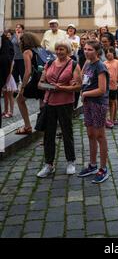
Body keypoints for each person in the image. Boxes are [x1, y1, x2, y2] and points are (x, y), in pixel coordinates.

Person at [37, 41, 82, 178]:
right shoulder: (49, 63)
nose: (58, 51)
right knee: (48, 134)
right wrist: (49, 87)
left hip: (65, 103)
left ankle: (70, 161)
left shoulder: (73, 65)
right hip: (49, 102)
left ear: (67, 50)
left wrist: (62, 88)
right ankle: (49, 164)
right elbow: (40, 83)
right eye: (57, 49)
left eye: (61, 49)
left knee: (66, 132)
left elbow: (78, 86)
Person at [78, 41, 110, 184]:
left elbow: (102, 90)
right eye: (85, 49)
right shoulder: (88, 64)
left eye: (90, 49)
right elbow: (82, 80)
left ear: (97, 52)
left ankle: (103, 168)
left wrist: (86, 94)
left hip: (98, 103)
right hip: (88, 103)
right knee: (90, 134)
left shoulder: (100, 66)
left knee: (100, 135)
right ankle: (92, 165)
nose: (86, 51)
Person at [16, 33, 44, 135]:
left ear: (25, 42)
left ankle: (27, 126)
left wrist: (22, 87)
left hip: (36, 80)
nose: (20, 42)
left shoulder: (27, 52)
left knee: (20, 99)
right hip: (45, 79)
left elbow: (27, 72)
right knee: (43, 105)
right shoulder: (40, 49)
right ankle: (45, 132)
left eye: (21, 40)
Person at [104, 47, 118, 128]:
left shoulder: (117, 62)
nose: (108, 53)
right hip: (105, 87)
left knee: (112, 102)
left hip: (113, 86)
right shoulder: (104, 63)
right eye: (107, 52)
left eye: (110, 52)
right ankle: (106, 119)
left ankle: (112, 119)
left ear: (113, 53)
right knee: (106, 103)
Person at [0, 33, 14, 128]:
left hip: (9, 76)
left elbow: (11, 65)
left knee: (10, 95)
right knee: (5, 95)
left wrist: (8, 76)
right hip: (5, 75)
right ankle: (5, 110)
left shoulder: (9, 56)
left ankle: (11, 111)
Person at [11, 24, 25, 89]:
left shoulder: (24, 36)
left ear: (22, 29)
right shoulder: (13, 36)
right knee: (14, 74)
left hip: (22, 58)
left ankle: (24, 90)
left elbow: (19, 44)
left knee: (22, 74)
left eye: (19, 27)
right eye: (16, 27)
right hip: (14, 58)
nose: (17, 29)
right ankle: (15, 90)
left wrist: (18, 36)